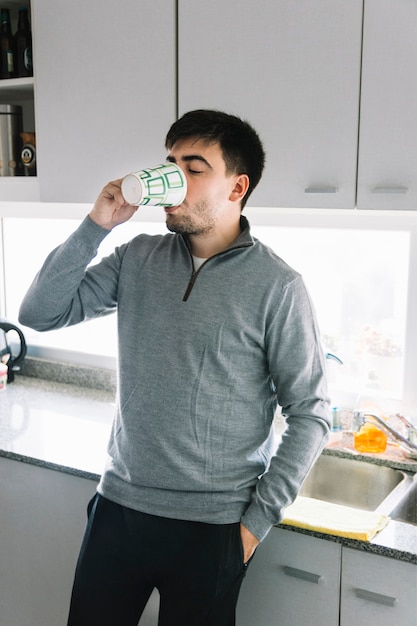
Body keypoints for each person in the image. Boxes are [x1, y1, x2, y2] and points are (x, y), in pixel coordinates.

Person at [19, 109, 330, 626]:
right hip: (118, 508)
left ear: (237, 186)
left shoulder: (278, 287)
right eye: (170, 163)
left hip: (213, 529)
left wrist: (253, 526)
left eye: (194, 167)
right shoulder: (136, 257)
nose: (174, 180)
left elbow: (312, 413)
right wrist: (97, 224)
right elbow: (39, 313)